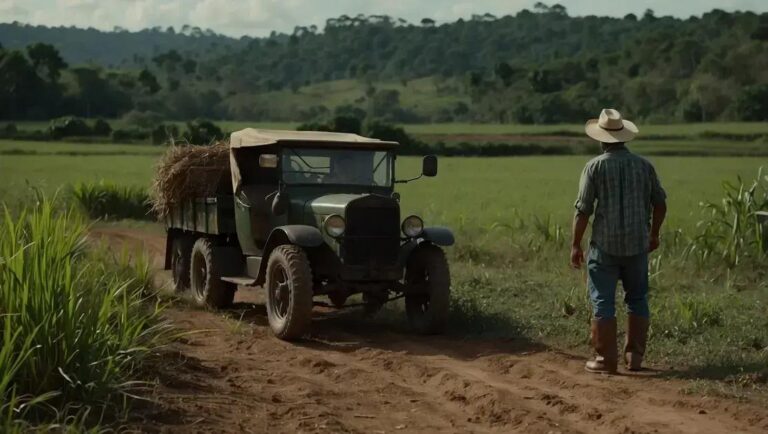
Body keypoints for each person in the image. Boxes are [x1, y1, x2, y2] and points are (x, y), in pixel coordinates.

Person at [570, 109, 667, 374]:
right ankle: (634, 356)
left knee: (603, 300)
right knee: (637, 298)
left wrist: (576, 244)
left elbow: (583, 210)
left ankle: (605, 359)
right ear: (623, 136)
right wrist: (654, 233)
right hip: (637, 245)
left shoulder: (594, 167)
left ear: (601, 138)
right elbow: (660, 203)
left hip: (604, 246)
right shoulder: (644, 166)